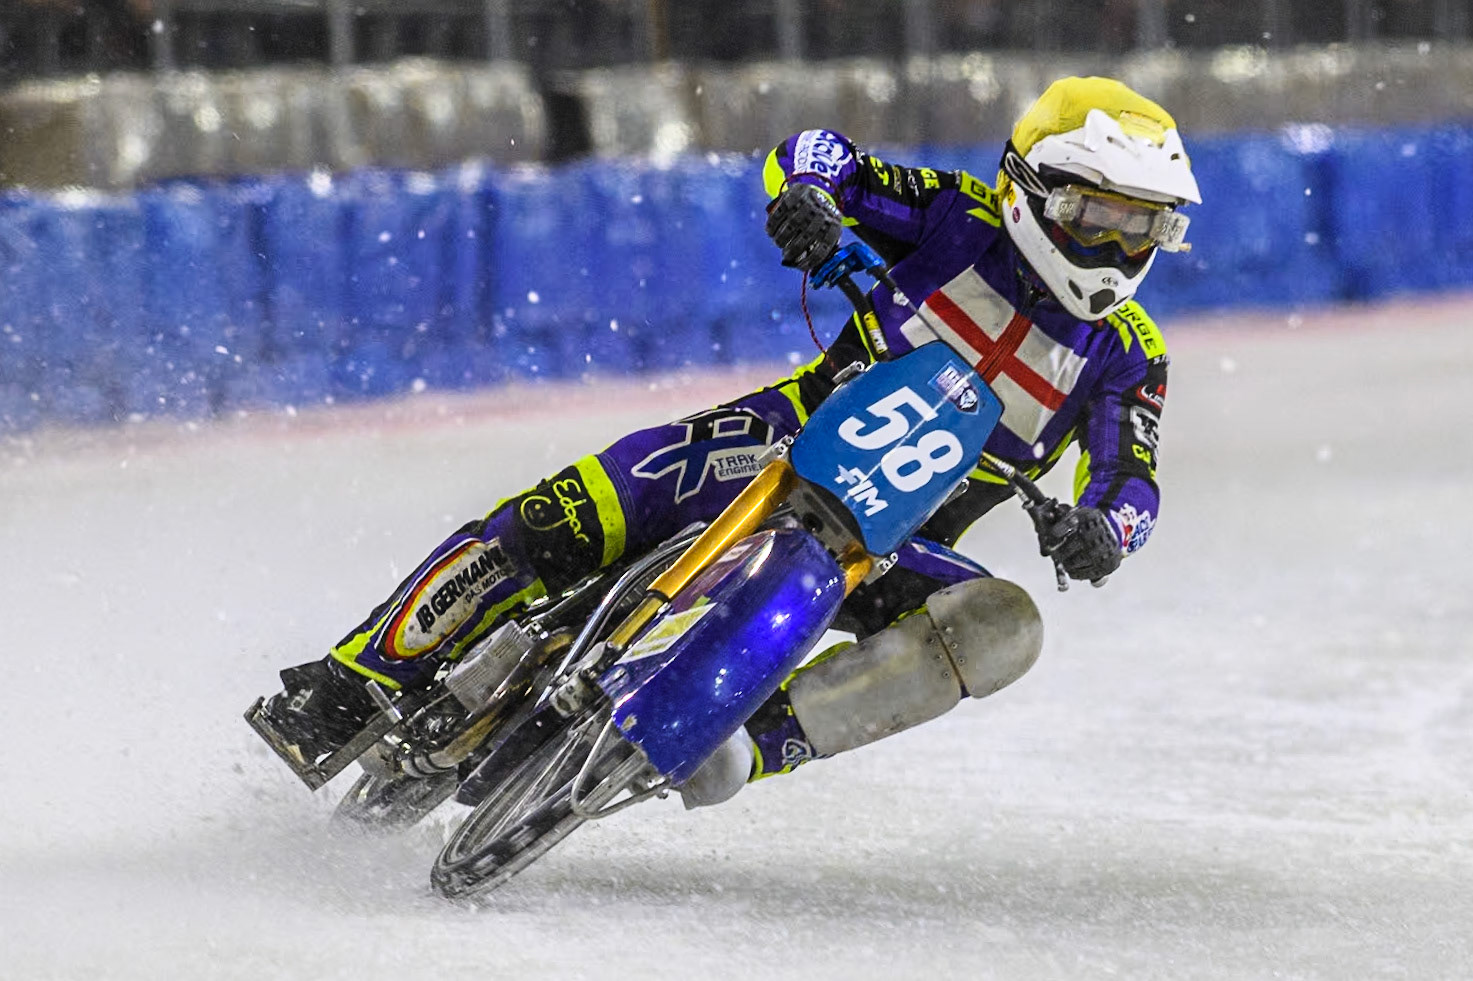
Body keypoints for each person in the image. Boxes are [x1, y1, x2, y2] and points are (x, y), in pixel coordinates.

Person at [256, 76, 1200, 807]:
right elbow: (817, 152)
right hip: (789, 437)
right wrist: (811, 202)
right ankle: (346, 682)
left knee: (1002, 627)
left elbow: (1134, 480)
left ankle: (748, 746)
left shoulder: (1128, 355)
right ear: (1032, 189)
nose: (1118, 248)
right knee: (564, 514)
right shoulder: (958, 215)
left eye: (1144, 226)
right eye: (1097, 216)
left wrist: (1103, 531)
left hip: (899, 540)